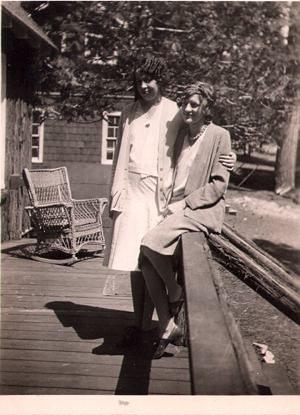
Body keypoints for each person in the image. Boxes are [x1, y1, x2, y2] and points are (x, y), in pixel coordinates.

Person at [103, 56, 235, 349]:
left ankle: (163, 316)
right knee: (138, 261)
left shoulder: (176, 114)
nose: (144, 86)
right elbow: (124, 158)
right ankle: (153, 324)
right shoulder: (130, 113)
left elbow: (211, 151)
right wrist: (116, 195)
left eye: (149, 80)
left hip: (165, 198)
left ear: (160, 80)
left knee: (148, 250)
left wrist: (230, 160)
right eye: (139, 81)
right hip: (140, 193)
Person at [139, 81, 232, 359]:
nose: (188, 109)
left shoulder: (219, 136)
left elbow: (218, 185)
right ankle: (168, 326)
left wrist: (184, 204)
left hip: (200, 210)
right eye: (185, 104)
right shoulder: (182, 136)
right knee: (145, 261)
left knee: (149, 242)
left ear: (207, 107)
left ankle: (176, 289)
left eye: (194, 104)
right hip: (177, 208)